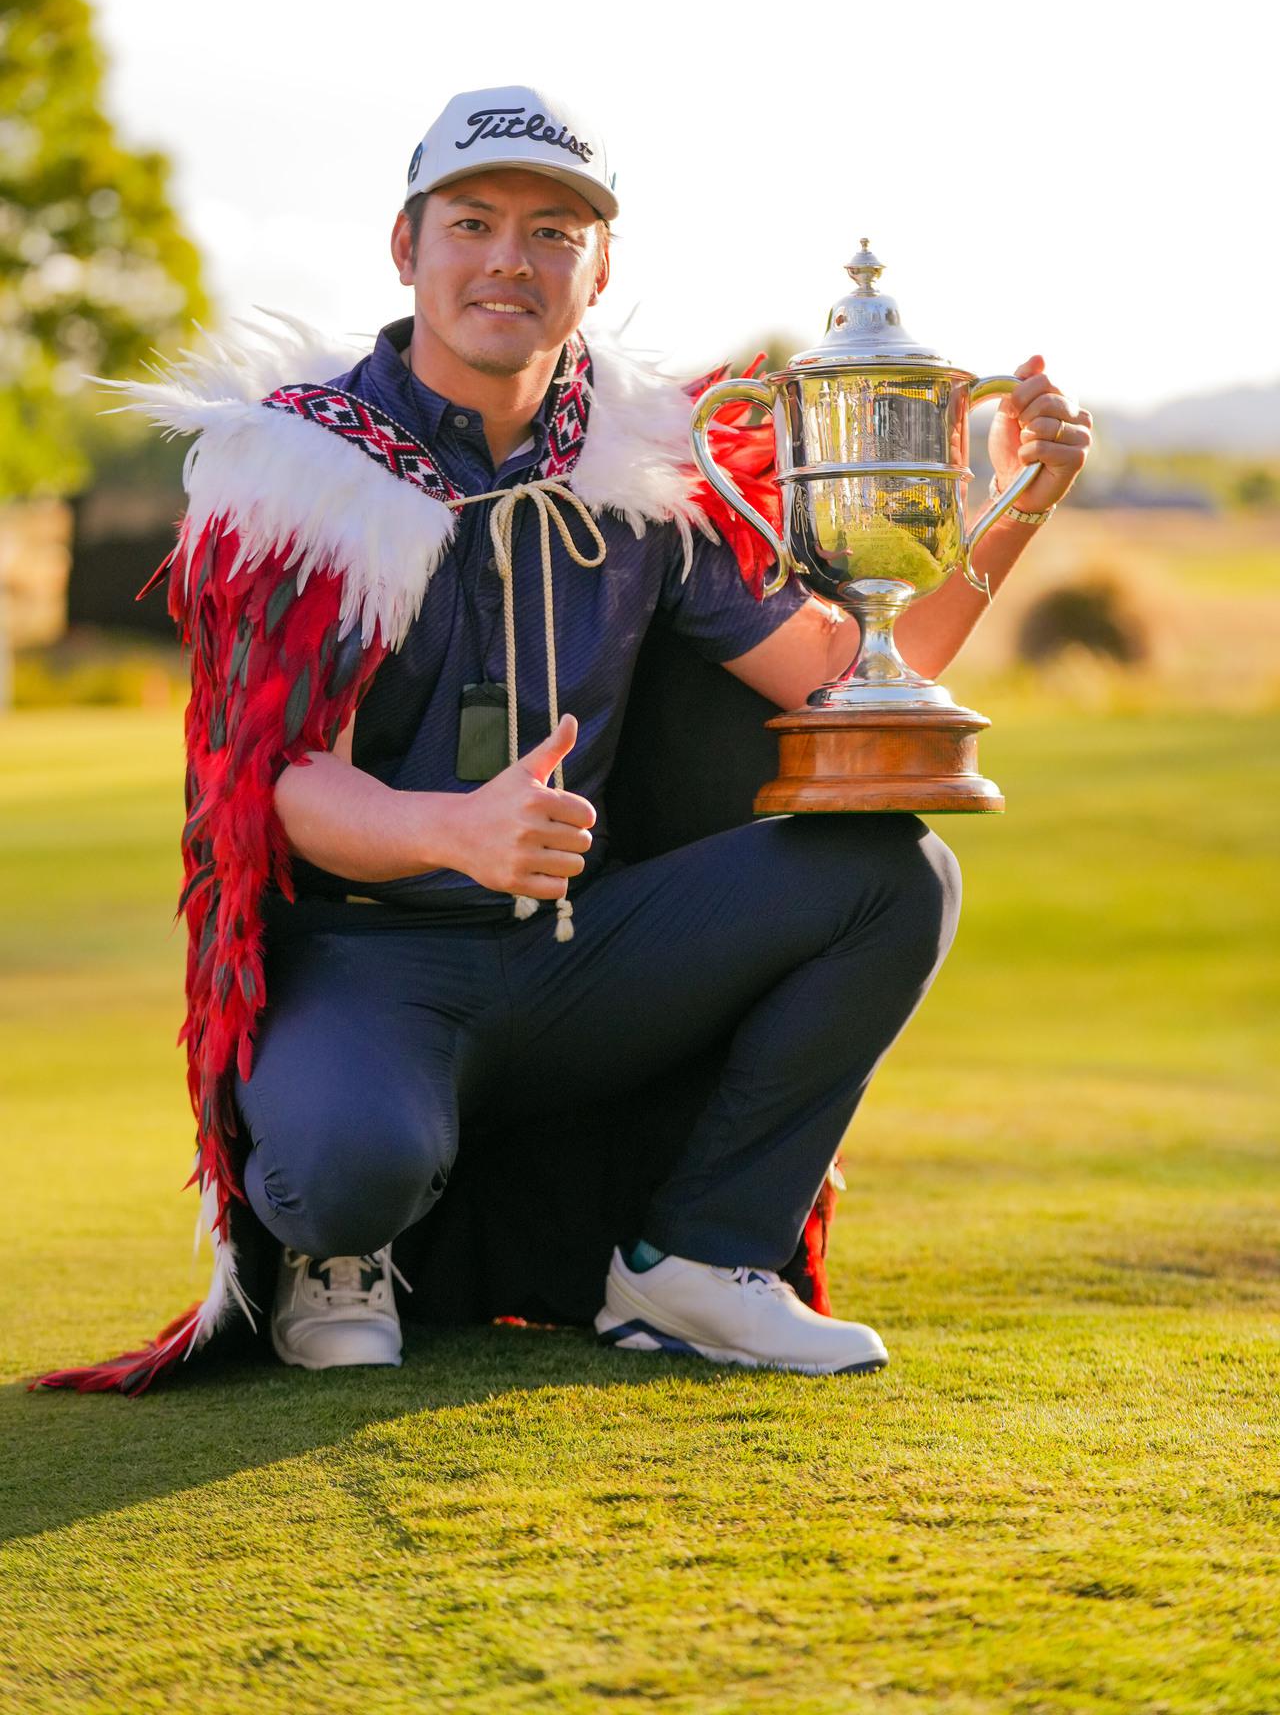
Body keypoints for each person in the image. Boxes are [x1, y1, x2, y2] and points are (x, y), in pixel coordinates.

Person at [38, 86, 1092, 1396]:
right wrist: (453, 833)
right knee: (338, 1174)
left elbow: (836, 672)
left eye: (553, 231)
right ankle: (341, 1258)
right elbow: (270, 785)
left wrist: (1015, 507)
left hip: (583, 955)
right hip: (373, 961)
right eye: (473, 222)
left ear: (600, 266)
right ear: (405, 248)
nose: (509, 259)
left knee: (893, 876)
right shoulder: (291, 465)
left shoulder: (645, 465)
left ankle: (704, 1262)